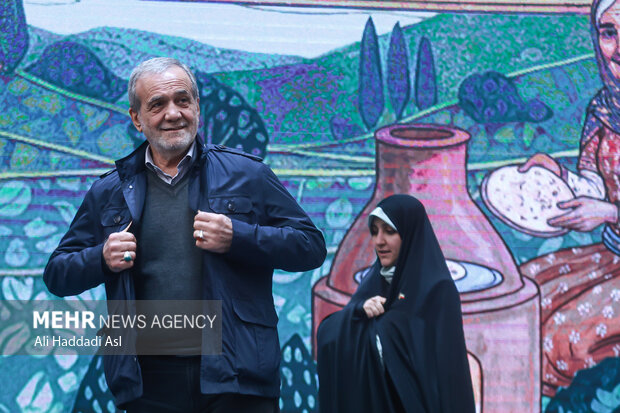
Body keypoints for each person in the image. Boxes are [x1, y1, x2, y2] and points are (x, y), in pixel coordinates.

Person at [43, 57, 326, 412]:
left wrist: (238, 237)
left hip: (237, 377)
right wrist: (100, 258)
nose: (173, 113)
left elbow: (310, 246)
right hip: (150, 383)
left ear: (197, 108)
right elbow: (57, 274)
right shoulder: (109, 192)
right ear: (137, 119)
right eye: (157, 104)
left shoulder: (248, 175)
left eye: (182, 100)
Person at [519, 0, 620, 396]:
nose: (618, 48)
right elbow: (594, 185)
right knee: (521, 294)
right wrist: (558, 176)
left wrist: (610, 212)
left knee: (562, 340)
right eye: (609, 33)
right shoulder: (604, 107)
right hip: (612, 257)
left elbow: (605, 206)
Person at [316, 194, 475, 413]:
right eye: (375, 231)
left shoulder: (438, 290)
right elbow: (329, 335)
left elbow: (448, 376)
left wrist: (380, 327)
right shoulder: (375, 283)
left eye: (389, 231)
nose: (379, 241)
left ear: (410, 234)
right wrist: (358, 312)